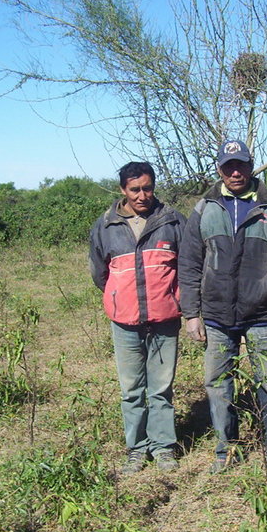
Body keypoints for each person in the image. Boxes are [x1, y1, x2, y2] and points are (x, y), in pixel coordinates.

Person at [179, 140, 267, 474]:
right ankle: (226, 451)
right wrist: (192, 313)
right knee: (218, 385)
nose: (236, 172)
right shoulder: (205, 209)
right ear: (219, 168)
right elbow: (189, 263)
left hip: (263, 315)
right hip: (218, 317)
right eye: (229, 165)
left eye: (242, 165)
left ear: (252, 165)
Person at [89, 162, 186, 474]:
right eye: (134, 189)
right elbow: (99, 274)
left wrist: (175, 299)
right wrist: (121, 297)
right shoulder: (105, 226)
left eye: (147, 188)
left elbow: (189, 268)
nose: (142, 195)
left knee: (161, 388)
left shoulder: (172, 221)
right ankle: (136, 449)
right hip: (124, 322)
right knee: (131, 390)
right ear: (122, 190)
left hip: (164, 319)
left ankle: (164, 448)